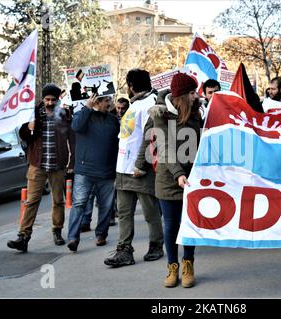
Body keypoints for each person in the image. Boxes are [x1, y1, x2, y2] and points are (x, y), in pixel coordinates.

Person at [135, 73, 201, 288]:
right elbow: (163, 147)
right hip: (167, 178)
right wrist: (178, 174)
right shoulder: (159, 113)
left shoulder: (196, 112)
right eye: (192, 92)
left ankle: (188, 264)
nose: (195, 96)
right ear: (181, 95)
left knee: (189, 225)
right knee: (171, 225)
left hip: (192, 178)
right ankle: (172, 266)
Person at [103, 69, 164, 268]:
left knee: (150, 211)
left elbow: (151, 137)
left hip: (140, 168)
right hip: (123, 168)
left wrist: (141, 164)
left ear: (131, 85)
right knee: (124, 212)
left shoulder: (150, 104)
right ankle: (124, 250)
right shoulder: (136, 104)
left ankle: (156, 245)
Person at [7, 84, 75, 253]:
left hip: (58, 164)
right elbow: (22, 135)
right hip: (37, 164)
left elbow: (73, 140)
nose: (50, 102)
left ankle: (57, 231)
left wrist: (72, 162)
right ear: (42, 99)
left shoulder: (65, 114)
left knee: (58, 200)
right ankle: (23, 236)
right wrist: (27, 127)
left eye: (53, 99)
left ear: (58, 99)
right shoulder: (32, 113)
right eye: (47, 99)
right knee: (31, 201)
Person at [67, 95, 120, 252]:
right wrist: (87, 108)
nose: (110, 103)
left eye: (110, 101)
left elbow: (118, 142)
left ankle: (101, 235)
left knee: (106, 206)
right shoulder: (83, 115)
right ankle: (73, 238)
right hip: (85, 171)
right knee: (79, 204)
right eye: (106, 101)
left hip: (107, 171)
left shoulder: (112, 120)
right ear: (97, 102)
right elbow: (76, 127)